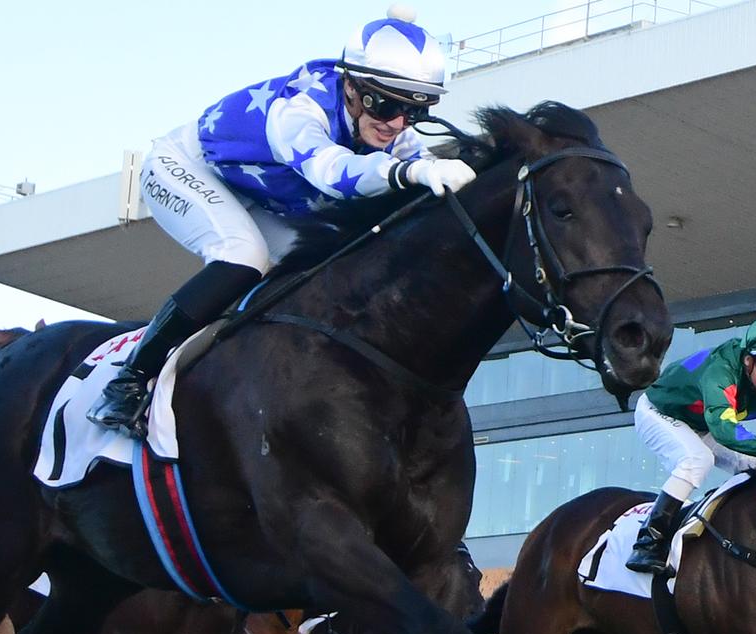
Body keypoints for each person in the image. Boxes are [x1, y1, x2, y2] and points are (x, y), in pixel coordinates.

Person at [86, 7, 477, 435]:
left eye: (414, 111)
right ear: (351, 85)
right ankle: (129, 378)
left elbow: (423, 170)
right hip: (185, 168)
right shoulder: (299, 108)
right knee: (243, 255)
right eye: (385, 104)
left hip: (259, 196)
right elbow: (332, 174)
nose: (397, 124)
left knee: (318, 269)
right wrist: (413, 172)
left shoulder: (389, 126)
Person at [626, 313, 756, 574]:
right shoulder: (721, 369)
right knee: (697, 459)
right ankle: (648, 542)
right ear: (748, 360)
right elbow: (723, 427)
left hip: (703, 423)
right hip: (660, 412)